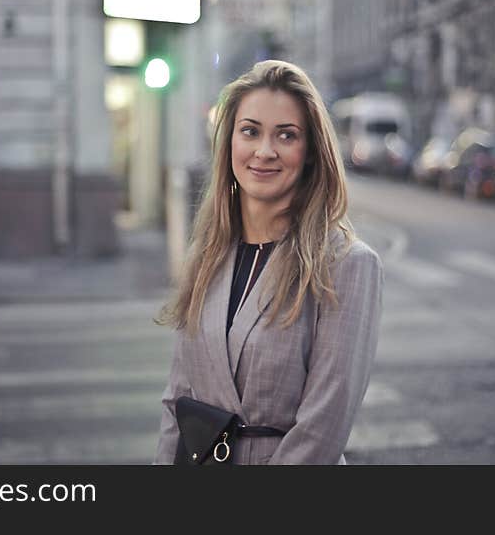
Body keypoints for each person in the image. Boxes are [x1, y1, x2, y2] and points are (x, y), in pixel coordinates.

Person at [153, 60, 383, 465]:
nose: (264, 151)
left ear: (310, 153)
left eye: (286, 135)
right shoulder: (206, 255)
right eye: (250, 131)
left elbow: (324, 426)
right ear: (229, 144)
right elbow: (178, 399)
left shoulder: (347, 264)